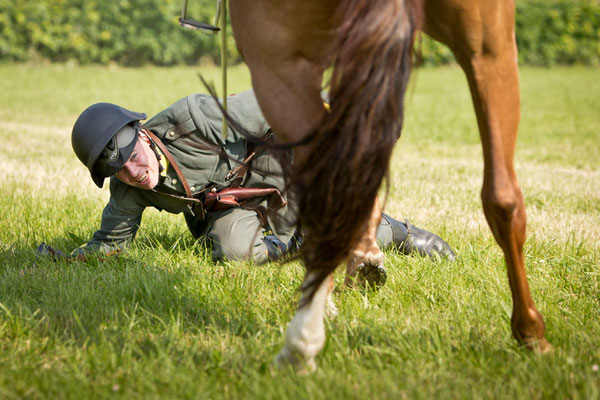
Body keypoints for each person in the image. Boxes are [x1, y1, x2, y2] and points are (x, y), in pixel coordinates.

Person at [67, 90, 455, 263]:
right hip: (224, 209)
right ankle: (298, 244)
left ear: (143, 134)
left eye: (134, 157)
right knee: (234, 254)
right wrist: (71, 258)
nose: (137, 173)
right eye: (122, 171)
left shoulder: (195, 118)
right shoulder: (128, 187)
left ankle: (397, 232)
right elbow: (110, 242)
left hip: (270, 168)